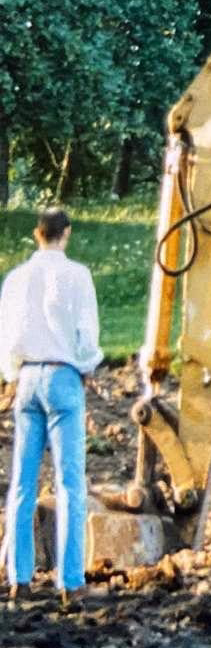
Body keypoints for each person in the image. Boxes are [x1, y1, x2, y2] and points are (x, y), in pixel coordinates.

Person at [0, 207, 103, 608]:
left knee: (22, 484)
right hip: (63, 376)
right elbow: (86, 333)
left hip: (27, 378)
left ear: (36, 234)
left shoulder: (16, 278)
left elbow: (7, 335)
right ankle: (70, 581)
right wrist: (87, 365)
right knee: (70, 483)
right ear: (67, 234)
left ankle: (19, 577)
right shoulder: (77, 275)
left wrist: (12, 374)